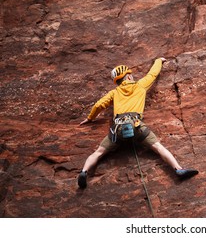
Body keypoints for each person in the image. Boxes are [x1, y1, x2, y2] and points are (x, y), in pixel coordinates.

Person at [78, 58, 198, 189]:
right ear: (128, 76)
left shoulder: (114, 92)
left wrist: (90, 118)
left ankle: (84, 172)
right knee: (158, 147)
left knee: (99, 152)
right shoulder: (139, 85)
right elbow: (152, 74)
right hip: (136, 125)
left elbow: (98, 105)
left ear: (117, 81)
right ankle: (178, 169)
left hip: (117, 128)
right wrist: (159, 61)